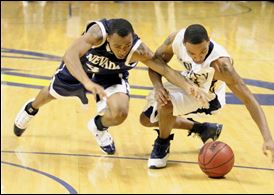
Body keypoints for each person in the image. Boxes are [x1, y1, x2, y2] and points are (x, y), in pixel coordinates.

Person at [13, 18, 209, 155]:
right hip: (82, 69)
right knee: (48, 95)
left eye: (127, 45)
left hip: (111, 77)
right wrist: (87, 82)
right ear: (108, 39)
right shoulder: (97, 34)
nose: (123, 51)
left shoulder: (138, 49)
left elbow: (165, 69)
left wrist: (187, 86)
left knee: (120, 113)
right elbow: (70, 55)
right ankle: (30, 109)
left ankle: (99, 127)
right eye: (118, 47)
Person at [139, 24, 274, 169]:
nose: (198, 58)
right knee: (145, 120)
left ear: (209, 40)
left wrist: (268, 138)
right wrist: (158, 86)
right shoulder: (175, 39)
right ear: (184, 44)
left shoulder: (222, 66)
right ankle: (202, 129)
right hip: (188, 81)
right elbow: (155, 64)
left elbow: (249, 99)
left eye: (202, 52)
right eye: (192, 54)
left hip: (208, 96)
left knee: (166, 104)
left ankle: (162, 144)